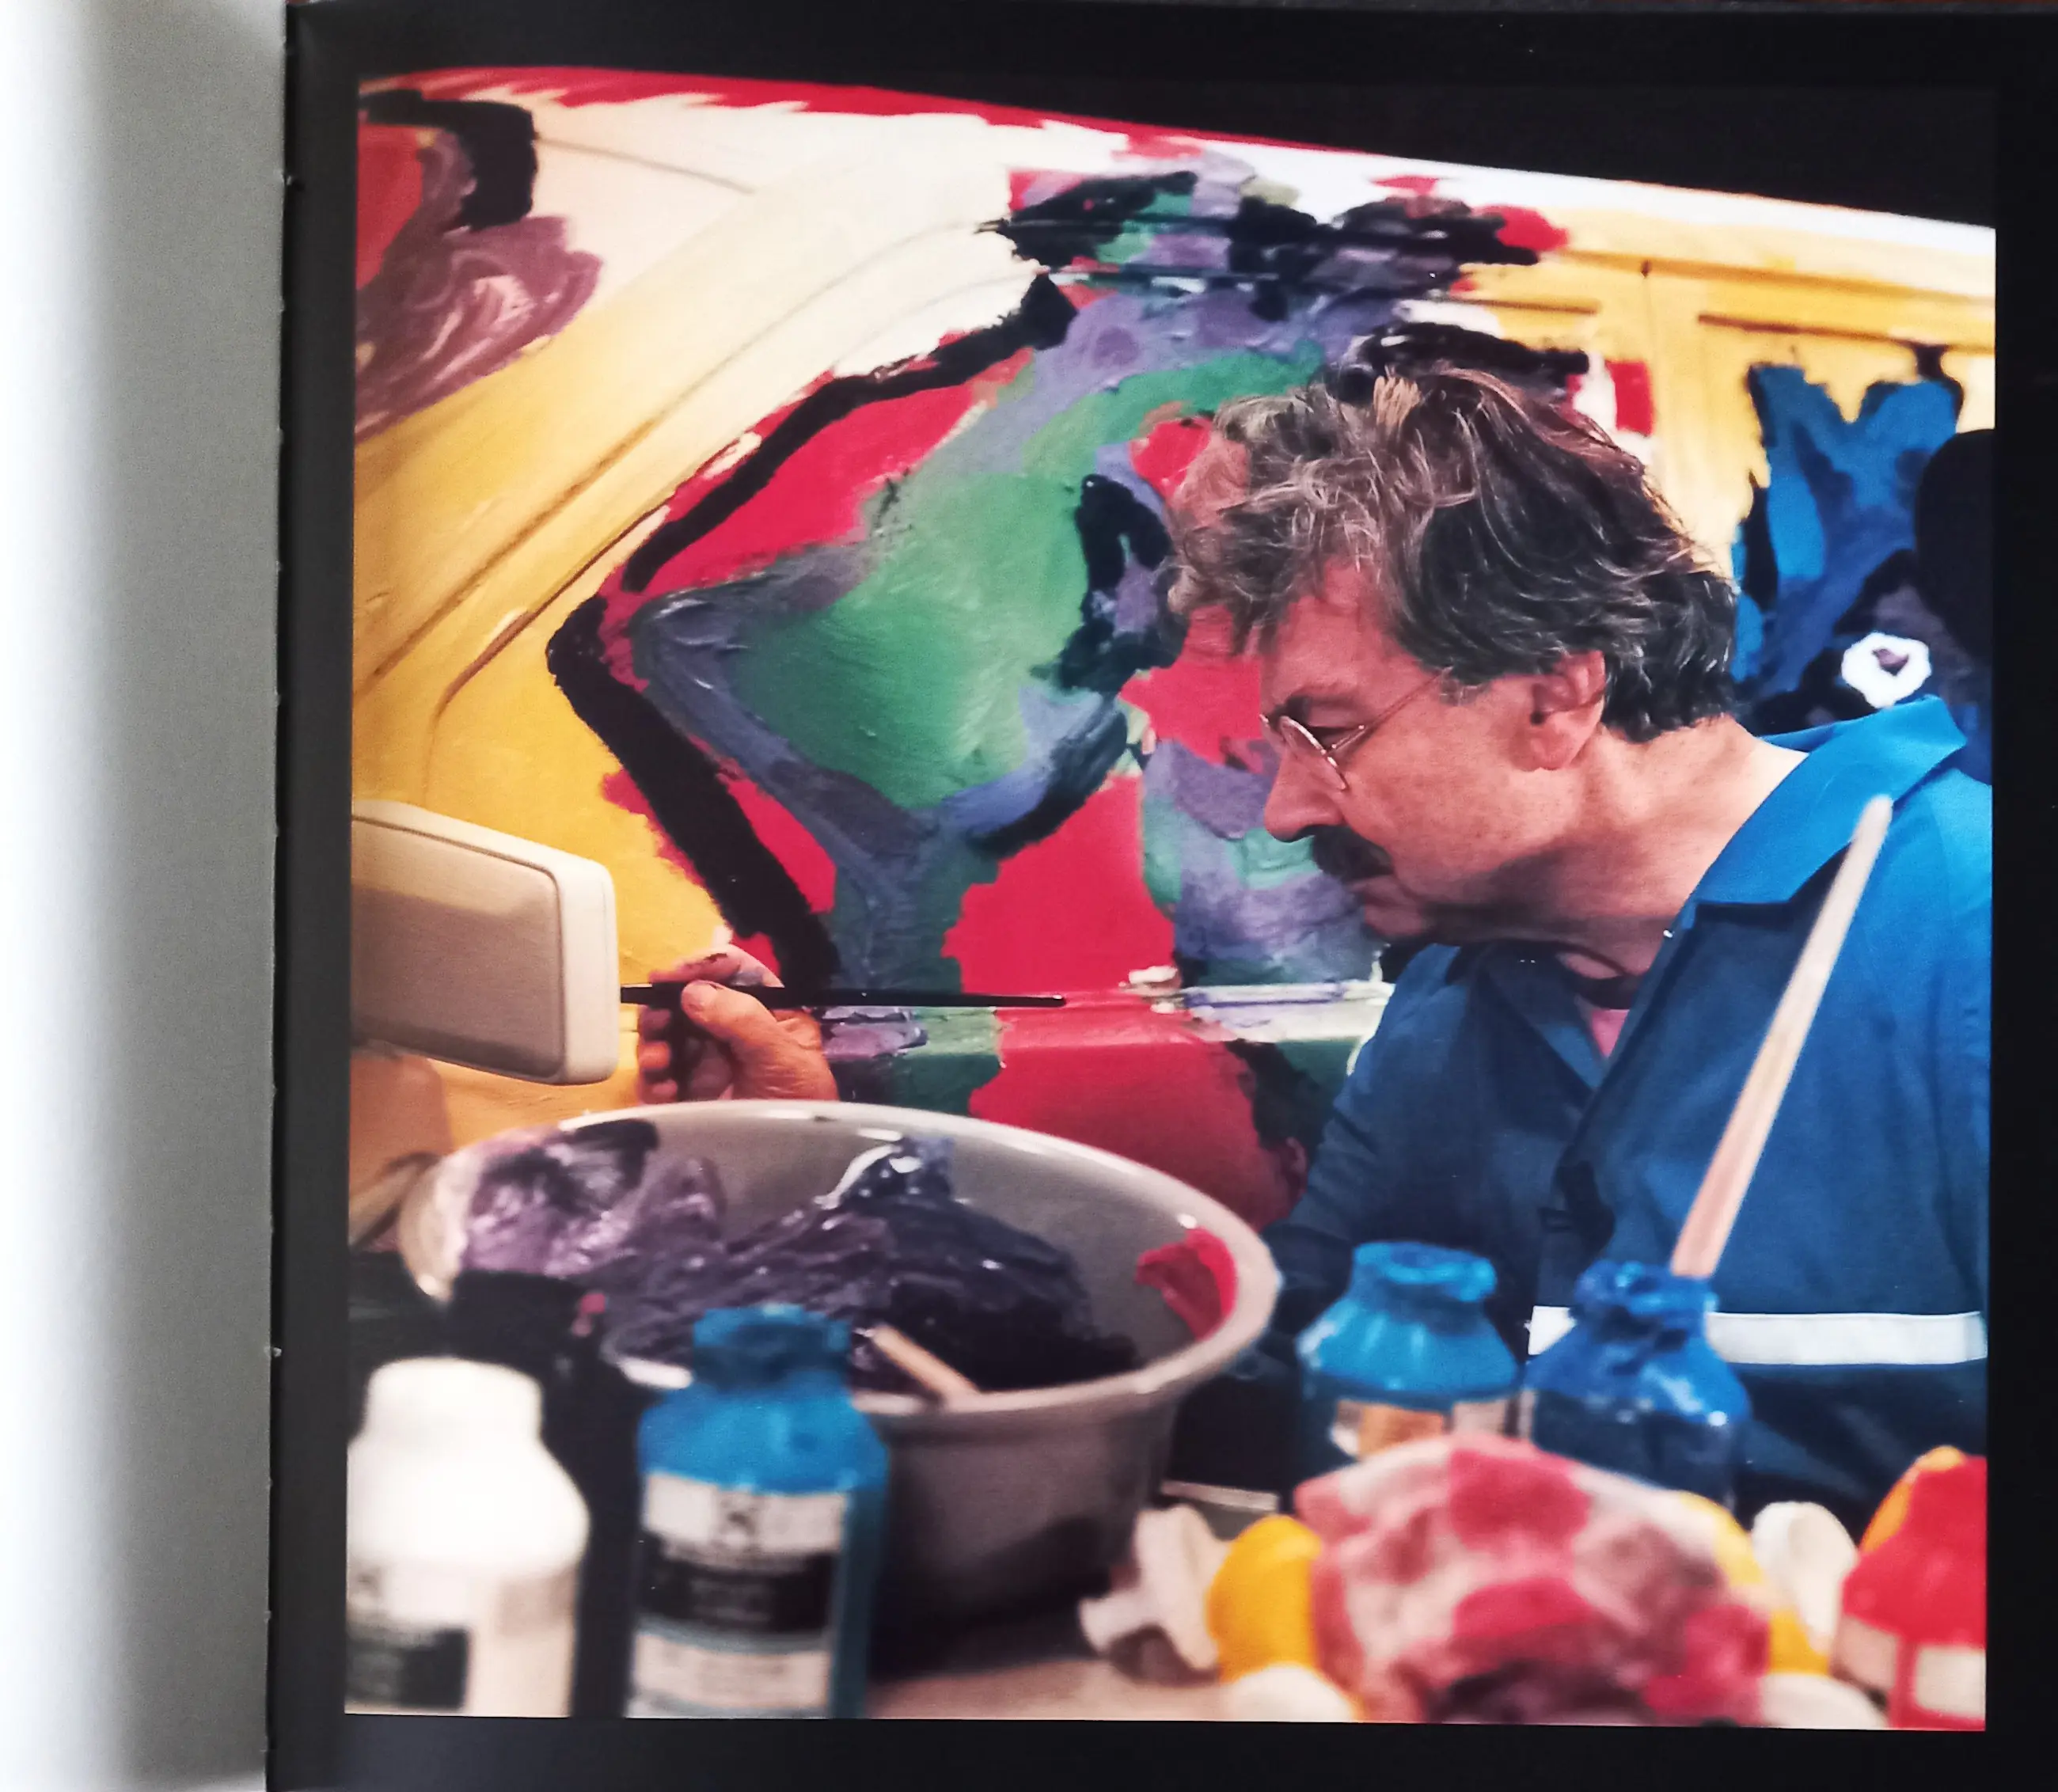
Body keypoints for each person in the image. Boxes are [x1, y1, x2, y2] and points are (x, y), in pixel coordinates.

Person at [632, 365, 1988, 1536]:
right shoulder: (1462, 992)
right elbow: (1269, 1405)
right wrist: (818, 1175)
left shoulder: (1970, 933)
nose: (1285, 811)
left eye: (1327, 734)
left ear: (1557, 694)